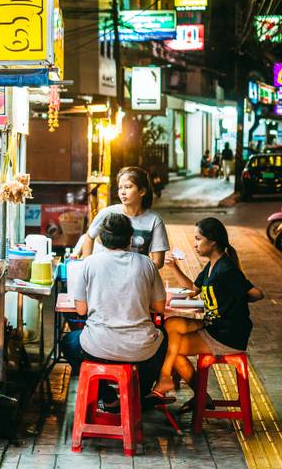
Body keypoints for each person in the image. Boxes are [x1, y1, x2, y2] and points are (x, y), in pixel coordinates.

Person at [153, 217, 264, 409]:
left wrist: (236, 300)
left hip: (227, 334)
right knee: (170, 325)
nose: (194, 244)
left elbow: (257, 294)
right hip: (213, 326)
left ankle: (185, 388)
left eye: (198, 239)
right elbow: (193, 289)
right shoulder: (212, 266)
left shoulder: (226, 269)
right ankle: (185, 388)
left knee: (170, 349)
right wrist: (174, 268)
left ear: (212, 241)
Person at [61, 213, 170, 406]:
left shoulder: (89, 263)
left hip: (97, 346)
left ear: (102, 239)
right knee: (163, 338)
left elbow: (81, 310)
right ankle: (139, 396)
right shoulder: (146, 263)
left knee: (67, 342)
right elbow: (160, 307)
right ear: (130, 238)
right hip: (140, 350)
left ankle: (108, 397)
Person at [80, 166, 170, 269]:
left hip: (137, 275)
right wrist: (86, 267)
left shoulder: (154, 220)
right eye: (120, 188)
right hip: (106, 271)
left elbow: (158, 262)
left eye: (127, 187)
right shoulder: (107, 213)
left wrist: (134, 272)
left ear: (142, 191)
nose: (122, 192)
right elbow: (89, 237)